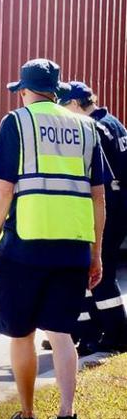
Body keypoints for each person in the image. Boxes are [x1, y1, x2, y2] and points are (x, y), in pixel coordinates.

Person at [0, 59, 105, 419]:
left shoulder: (17, 122)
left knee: (21, 334)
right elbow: (98, 197)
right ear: (58, 90)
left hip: (25, 246)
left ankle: (28, 411)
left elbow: (2, 189)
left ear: (24, 91)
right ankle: (67, 418)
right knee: (62, 334)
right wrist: (95, 253)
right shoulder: (87, 127)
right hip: (72, 247)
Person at [58, 81, 127, 353]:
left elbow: (95, 177)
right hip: (119, 205)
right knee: (98, 270)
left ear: (75, 104)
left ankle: (115, 334)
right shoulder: (114, 123)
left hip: (106, 207)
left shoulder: (94, 129)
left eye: (63, 107)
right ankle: (90, 331)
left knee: (99, 271)